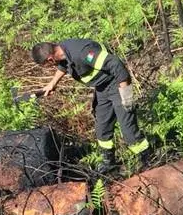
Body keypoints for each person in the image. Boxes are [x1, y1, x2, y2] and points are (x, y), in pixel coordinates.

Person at [31, 40, 150, 173]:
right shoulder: (62, 53)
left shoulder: (82, 52)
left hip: (116, 85)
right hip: (102, 89)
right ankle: (109, 162)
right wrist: (52, 84)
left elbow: (116, 64)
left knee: (127, 127)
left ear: (50, 60)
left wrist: (126, 94)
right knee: (102, 127)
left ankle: (146, 159)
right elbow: (64, 66)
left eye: (46, 66)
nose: (50, 68)